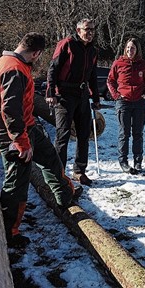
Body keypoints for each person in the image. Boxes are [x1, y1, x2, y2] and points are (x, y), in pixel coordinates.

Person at [0, 32, 81, 248]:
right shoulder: (14, 69)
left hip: (25, 127)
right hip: (12, 132)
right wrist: (20, 142)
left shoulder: (5, 62)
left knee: (49, 156)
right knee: (17, 183)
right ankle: (10, 232)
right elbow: (10, 110)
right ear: (36, 53)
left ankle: (64, 195)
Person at [46, 18, 100, 186]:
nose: (90, 33)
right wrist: (50, 92)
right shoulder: (67, 44)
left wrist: (96, 97)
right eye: (86, 29)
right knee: (62, 135)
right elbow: (53, 68)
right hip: (64, 95)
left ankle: (79, 171)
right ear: (78, 31)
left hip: (82, 95)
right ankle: (59, 173)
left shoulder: (92, 50)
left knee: (84, 135)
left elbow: (92, 75)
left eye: (92, 29)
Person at [107, 38, 145, 173]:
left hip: (139, 103)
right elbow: (110, 81)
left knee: (138, 134)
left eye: (132, 48)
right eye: (127, 48)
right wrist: (116, 95)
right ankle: (124, 162)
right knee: (124, 133)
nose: (129, 51)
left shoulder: (142, 64)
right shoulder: (118, 63)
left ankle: (138, 161)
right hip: (123, 102)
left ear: (137, 50)